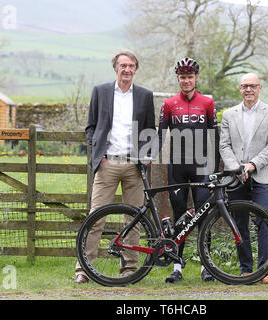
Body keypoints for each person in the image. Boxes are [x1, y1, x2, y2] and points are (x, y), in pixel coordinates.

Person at [74, 49, 156, 284]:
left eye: (131, 66)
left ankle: (129, 269)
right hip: (107, 163)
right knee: (95, 218)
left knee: (133, 219)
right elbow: (91, 127)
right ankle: (83, 269)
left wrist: (148, 153)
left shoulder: (144, 95)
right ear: (116, 68)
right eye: (123, 66)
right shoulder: (100, 92)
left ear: (135, 69)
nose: (127, 70)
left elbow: (151, 128)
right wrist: (98, 155)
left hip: (134, 166)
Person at [158, 57, 220, 283]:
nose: (186, 80)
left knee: (204, 217)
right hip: (177, 167)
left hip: (202, 167)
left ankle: (206, 266)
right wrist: (147, 155)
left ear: (196, 78)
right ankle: (177, 267)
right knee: (180, 218)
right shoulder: (168, 104)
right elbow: (159, 136)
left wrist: (214, 170)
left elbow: (215, 138)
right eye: (182, 77)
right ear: (178, 78)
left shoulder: (207, 103)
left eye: (190, 77)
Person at [219, 73, 268, 284]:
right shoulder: (229, 115)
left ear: (260, 88)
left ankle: (264, 271)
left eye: (252, 86)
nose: (248, 90)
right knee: (239, 223)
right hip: (237, 177)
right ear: (239, 89)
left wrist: (253, 165)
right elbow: (224, 146)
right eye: (245, 86)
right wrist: (236, 167)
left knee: (265, 220)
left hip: (261, 175)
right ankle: (246, 270)